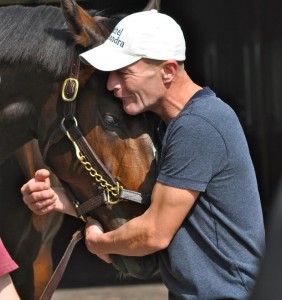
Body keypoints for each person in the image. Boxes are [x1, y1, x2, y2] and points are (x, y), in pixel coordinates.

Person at [21, 10, 265, 299]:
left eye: (124, 73)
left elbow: (154, 232)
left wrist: (100, 243)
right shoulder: (170, 127)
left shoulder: (199, 125)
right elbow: (149, 205)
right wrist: (59, 200)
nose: (112, 84)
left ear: (168, 71)